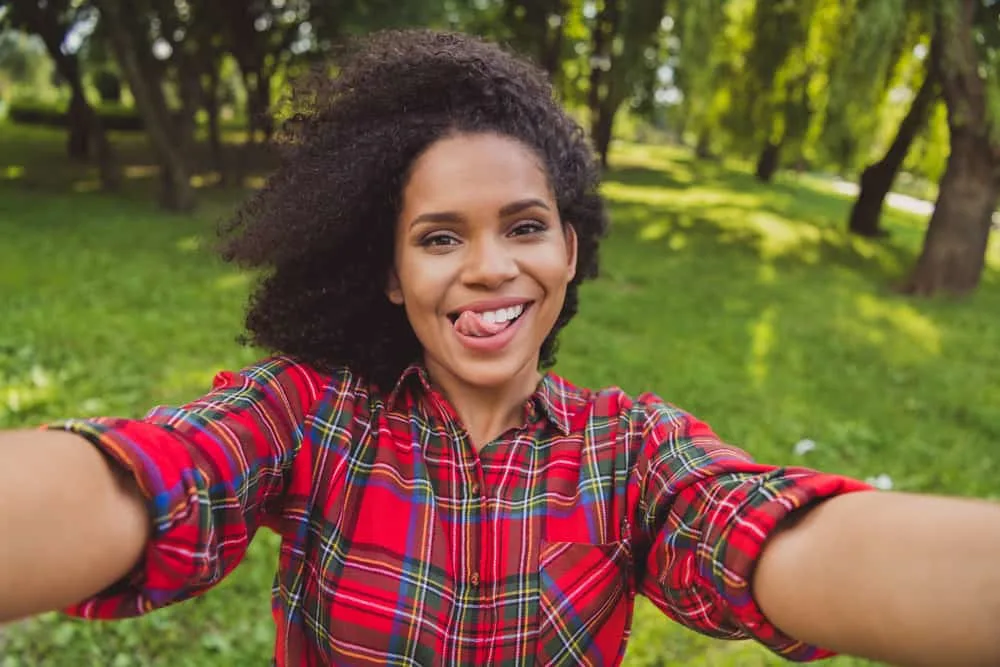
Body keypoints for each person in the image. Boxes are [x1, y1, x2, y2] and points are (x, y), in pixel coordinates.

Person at [1, 29, 998, 667]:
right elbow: (150, 478)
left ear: (568, 248)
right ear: (391, 272)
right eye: (440, 238)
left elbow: (768, 536)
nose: (488, 267)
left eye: (524, 226)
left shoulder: (632, 451)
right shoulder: (312, 419)